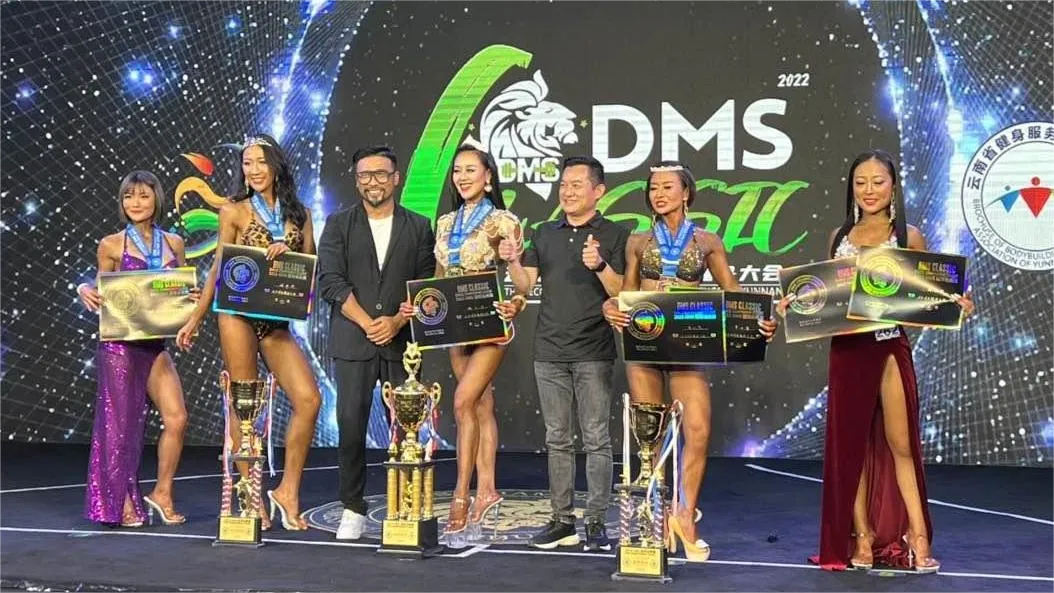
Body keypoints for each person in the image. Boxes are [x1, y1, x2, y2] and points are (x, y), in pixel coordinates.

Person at [778, 149, 975, 572]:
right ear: (851, 188)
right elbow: (828, 298)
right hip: (848, 351)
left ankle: (918, 537)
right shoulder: (839, 236)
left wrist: (955, 305)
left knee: (900, 444)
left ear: (893, 187)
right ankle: (862, 537)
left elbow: (926, 301)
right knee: (851, 448)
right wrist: (797, 304)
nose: (869, 190)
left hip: (888, 348)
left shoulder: (909, 237)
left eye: (878, 181)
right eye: (860, 182)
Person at [602, 161, 778, 562]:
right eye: (653, 188)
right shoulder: (638, 241)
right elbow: (626, 293)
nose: (659, 194)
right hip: (646, 341)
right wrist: (611, 308)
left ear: (686, 193)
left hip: (688, 343)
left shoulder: (707, 241)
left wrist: (760, 322)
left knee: (697, 429)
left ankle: (685, 515)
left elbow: (733, 293)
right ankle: (656, 517)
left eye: (667, 187)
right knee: (651, 434)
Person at [176, 134, 321, 530]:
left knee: (309, 399)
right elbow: (219, 269)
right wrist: (195, 318)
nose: (254, 170)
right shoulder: (234, 210)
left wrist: (289, 254)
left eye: (260, 162)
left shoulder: (301, 214)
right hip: (237, 315)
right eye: (247, 164)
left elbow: (310, 269)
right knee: (246, 408)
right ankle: (251, 496)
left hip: (276, 320)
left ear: (276, 165)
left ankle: (287, 491)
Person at [400, 143, 527, 546]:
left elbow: (522, 282)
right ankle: (487, 490)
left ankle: (461, 494)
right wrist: (422, 304)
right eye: (457, 170)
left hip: (489, 324)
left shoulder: (503, 221)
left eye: (471, 169)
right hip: (455, 326)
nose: (462, 177)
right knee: (480, 405)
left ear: (488, 177)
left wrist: (516, 294)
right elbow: (439, 279)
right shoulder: (445, 223)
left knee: (461, 403)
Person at [505, 156, 628, 551]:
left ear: (598, 191)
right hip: (549, 350)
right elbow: (525, 285)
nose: (568, 191)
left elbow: (622, 291)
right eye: (563, 184)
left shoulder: (616, 234)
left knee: (596, 438)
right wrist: (512, 259)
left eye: (577, 184)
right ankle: (562, 521)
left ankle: (596, 522)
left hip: (594, 350)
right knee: (557, 438)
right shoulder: (544, 232)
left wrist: (600, 264)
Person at [317, 145, 436, 540]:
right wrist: (370, 323)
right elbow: (331, 282)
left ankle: (405, 506)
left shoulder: (418, 226)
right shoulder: (338, 224)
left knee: (406, 430)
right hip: (354, 338)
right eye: (365, 175)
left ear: (395, 178)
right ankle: (353, 507)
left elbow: (424, 285)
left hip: (403, 344)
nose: (374, 182)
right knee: (351, 425)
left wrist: (398, 320)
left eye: (381, 174)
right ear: (357, 181)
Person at [77, 170, 193, 527]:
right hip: (120, 346)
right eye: (129, 196)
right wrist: (83, 289)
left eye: (143, 195)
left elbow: (181, 291)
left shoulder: (173, 243)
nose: (135, 203)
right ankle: (122, 501)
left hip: (154, 345)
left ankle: (162, 492)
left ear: (156, 198)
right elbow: (103, 289)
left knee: (177, 418)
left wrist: (192, 302)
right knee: (121, 426)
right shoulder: (112, 244)